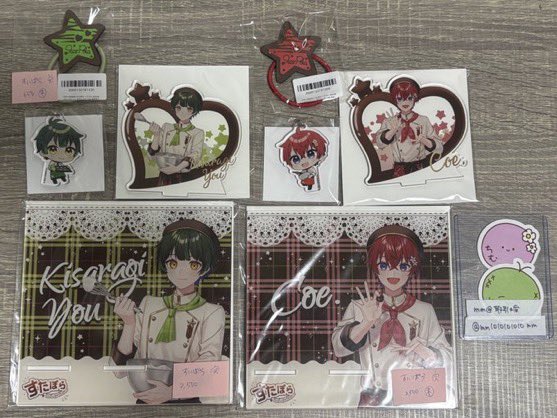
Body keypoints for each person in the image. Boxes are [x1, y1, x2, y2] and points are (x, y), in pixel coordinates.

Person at [332, 225, 453, 407]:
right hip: (372, 398)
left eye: (402, 266)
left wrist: (426, 352)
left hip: (413, 395)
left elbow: (448, 360)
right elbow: (339, 349)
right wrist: (367, 323)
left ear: (411, 269)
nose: (393, 273)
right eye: (384, 265)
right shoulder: (360, 306)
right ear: (375, 268)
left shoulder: (424, 310)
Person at [111, 219, 225, 404]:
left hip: (186, 403)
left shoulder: (212, 312)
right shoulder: (149, 304)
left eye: (193, 264)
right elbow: (119, 371)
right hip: (145, 399)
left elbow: (210, 367)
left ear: (205, 268)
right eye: (173, 263)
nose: (181, 272)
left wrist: (172, 393)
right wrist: (129, 323)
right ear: (164, 264)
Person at [376, 78, 443, 177]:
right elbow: (380, 144)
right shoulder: (389, 121)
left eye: (409, 98)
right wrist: (393, 130)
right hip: (399, 169)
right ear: (395, 100)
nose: (405, 102)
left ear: (415, 99)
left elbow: (439, 148)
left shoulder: (423, 120)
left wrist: (423, 140)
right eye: (400, 99)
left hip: (419, 167)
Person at [147, 87, 205, 186]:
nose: (183, 112)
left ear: (195, 111)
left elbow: (195, 155)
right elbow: (152, 155)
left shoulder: (197, 133)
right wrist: (156, 135)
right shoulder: (166, 127)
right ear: (174, 108)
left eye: (189, 109)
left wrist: (177, 168)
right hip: (164, 174)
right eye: (179, 108)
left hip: (183, 176)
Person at [32, 117, 84, 185]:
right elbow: (50, 167)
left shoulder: (61, 163)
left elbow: (64, 168)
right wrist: (53, 168)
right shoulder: (51, 163)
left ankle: (63, 179)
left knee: (62, 175)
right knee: (54, 176)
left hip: (60, 172)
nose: (61, 154)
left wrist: (66, 169)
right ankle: (54, 181)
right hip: (54, 172)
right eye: (53, 149)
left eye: (69, 150)